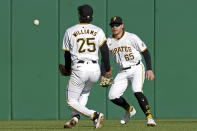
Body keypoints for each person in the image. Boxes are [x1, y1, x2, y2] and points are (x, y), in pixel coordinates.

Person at [62, 4, 112, 129]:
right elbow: (105, 52)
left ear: (79, 16)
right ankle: (75, 117)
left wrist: (67, 68)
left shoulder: (70, 31)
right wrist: (107, 69)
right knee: (84, 93)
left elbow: (67, 54)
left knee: (71, 101)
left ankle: (94, 115)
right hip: (94, 70)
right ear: (92, 16)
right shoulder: (98, 30)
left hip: (80, 68)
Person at [101, 16, 156, 126]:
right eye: (112, 25)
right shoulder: (109, 41)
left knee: (137, 90)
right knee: (112, 96)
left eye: (117, 25)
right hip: (122, 71)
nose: (114, 27)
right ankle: (130, 110)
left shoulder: (132, 37)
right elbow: (104, 59)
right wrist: (103, 74)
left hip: (136, 67)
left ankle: (149, 118)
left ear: (122, 26)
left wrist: (149, 69)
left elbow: (145, 52)